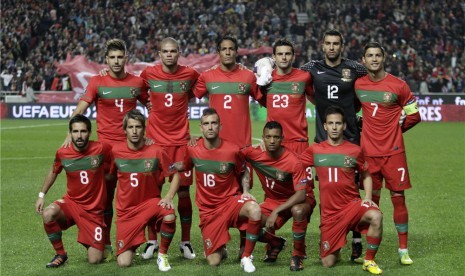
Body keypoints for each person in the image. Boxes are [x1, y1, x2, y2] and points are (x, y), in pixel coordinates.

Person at [63, 38, 149, 259]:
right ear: (106, 59)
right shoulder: (96, 82)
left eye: (120, 57)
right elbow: (80, 110)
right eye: (113, 57)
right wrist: (68, 134)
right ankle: (107, 241)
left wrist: (153, 135)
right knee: (106, 198)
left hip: (131, 150)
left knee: (136, 198)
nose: (117, 61)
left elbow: (152, 106)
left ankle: (139, 242)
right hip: (106, 151)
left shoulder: (136, 83)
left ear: (126, 58)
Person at [300, 29, 367, 261]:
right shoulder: (311, 67)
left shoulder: (356, 68)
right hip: (323, 140)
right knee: (327, 189)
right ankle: (329, 233)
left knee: (353, 189)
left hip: (351, 138)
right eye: (328, 43)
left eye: (336, 43)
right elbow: (292, 77)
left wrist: (362, 112)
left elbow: (369, 83)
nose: (331, 47)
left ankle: (357, 238)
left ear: (342, 45)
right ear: (322, 45)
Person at [193, 34, 263, 254]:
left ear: (236, 51)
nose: (228, 52)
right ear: (219, 52)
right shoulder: (207, 76)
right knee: (219, 196)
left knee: (244, 195)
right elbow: (189, 92)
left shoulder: (248, 76)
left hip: (241, 148)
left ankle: (244, 246)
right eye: (224, 49)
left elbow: (263, 98)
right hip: (216, 149)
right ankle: (219, 241)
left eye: (232, 49)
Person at [355, 42, 421, 265]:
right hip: (368, 154)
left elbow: (414, 115)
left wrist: (396, 130)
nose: (374, 59)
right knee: (371, 202)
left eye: (377, 56)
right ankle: (368, 249)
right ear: (363, 61)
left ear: (383, 59)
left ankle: (403, 249)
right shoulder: (358, 85)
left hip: (394, 153)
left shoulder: (398, 85)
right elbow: (352, 109)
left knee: (398, 199)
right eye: (369, 56)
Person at [300, 106, 383, 275]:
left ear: (344, 126)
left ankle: (369, 260)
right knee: (327, 263)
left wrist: (367, 197)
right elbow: (293, 163)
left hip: (352, 206)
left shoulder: (354, 150)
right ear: (325, 126)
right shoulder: (315, 150)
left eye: (338, 123)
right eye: (331, 123)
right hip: (330, 215)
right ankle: (335, 249)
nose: (334, 127)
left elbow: (366, 174)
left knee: (376, 216)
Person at [138, 37, 200, 260]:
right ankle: (152, 241)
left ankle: (185, 242)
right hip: (154, 143)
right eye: (165, 51)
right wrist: (146, 101)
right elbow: (137, 91)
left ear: (179, 52)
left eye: (173, 51)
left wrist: (184, 98)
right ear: (159, 53)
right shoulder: (148, 74)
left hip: (180, 143)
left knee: (183, 192)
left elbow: (202, 86)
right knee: (152, 193)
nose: (169, 55)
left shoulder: (190, 74)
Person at [180, 108, 262, 273]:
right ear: (201, 127)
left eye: (214, 123)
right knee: (213, 261)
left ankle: (245, 254)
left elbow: (244, 169)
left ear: (220, 126)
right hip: (209, 211)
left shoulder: (232, 150)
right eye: (206, 124)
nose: (210, 127)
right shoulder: (192, 149)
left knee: (253, 209)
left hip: (230, 201)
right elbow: (183, 167)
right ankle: (221, 249)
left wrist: (245, 191)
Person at [35, 115, 112, 268]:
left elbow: (118, 159)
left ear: (89, 133)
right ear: (70, 133)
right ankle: (61, 254)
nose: (79, 135)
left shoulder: (101, 148)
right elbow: (54, 170)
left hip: (93, 212)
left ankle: (96, 242)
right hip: (72, 204)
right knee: (48, 213)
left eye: (83, 131)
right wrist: (41, 195)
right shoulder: (63, 153)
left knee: (95, 259)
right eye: (75, 131)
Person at [110, 109, 179, 271]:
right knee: (124, 262)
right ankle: (133, 243)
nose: (134, 131)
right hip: (126, 212)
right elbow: (109, 177)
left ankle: (162, 255)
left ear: (144, 129)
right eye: (130, 127)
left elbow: (175, 174)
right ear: (124, 129)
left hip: (150, 204)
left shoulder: (156, 151)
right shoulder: (115, 152)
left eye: (138, 127)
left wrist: (169, 196)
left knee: (169, 214)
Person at [242, 121, 316, 271]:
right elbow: (232, 154)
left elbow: (301, 194)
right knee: (244, 220)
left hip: (299, 199)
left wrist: (276, 211)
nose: (271, 141)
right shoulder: (254, 153)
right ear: (262, 138)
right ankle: (276, 242)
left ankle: (298, 255)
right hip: (273, 201)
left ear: (282, 138)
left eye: (276, 137)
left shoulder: (293, 161)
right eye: (268, 137)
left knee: (298, 211)